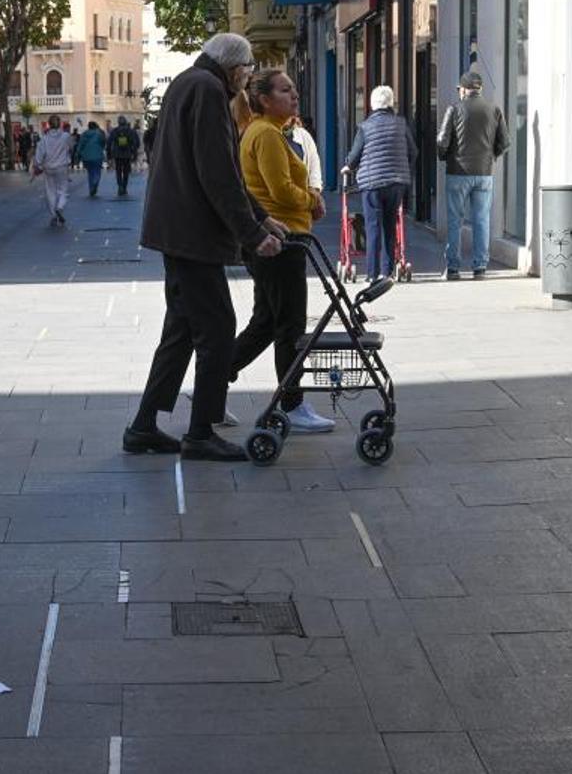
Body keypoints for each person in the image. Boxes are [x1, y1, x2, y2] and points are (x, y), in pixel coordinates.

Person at [126, 33, 287, 462]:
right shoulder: (209, 90)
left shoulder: (187, 81)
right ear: (235, 69)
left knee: (180, 331)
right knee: (217, 329)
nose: (249, 77)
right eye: (249, 69)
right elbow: (217, 173)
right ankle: (201, 432)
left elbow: (222, 168)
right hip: (191, 235)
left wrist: (258, 215)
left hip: (177, 231)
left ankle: (142, 427)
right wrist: (254, 236)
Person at [230, 70, 334, 433]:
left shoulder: (260, 132)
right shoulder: (268, 135)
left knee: (265, 322)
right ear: (264, 99)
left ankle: (213, 380)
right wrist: (313, 199)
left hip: (275, 239)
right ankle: (292, 404)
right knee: (289, 325)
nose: (294, 96)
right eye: (285, 90)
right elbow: (281, 190)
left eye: (293, 89)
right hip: (282, 240)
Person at [437, 70, 510, 280]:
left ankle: (453, 268)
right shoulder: (494, 109)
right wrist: (490, 157)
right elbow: (504, 143)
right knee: (481, 220)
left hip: (458, 171)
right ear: (480, 90)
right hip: (484, 173)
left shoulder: (454, 109)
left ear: (464, 90)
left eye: (460, 89)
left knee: (455, 220)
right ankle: (480, 267)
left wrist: (445, 157)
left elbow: (442, 141)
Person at [343, 85, 417, 281]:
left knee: (373, 226)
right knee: (390, 225)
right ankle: (388, 271)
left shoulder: (365, 127)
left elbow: (354, 156)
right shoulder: (401, 124)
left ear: (372, 104)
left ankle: (372, 274)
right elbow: (413, 151)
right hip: (397, 183)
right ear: (391, 103)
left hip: (372, 183)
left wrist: (348, 166)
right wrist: (403, 168)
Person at [32, 114, 73, 227]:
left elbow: (39, 155)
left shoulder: (44, 139)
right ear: (60, 124)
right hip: (62, 167)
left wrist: (37, 166)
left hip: (48, 168)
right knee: (63, 190)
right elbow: (71, 147)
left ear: (49, 124)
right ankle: (60, 207)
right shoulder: (65, 136)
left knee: (50, 191)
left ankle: (53, 215)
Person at [107, 115, 140, 196]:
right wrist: (134, 153)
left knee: (118, 171)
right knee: (126, 172)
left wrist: (109, 154)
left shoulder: (115, 131)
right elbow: (136, 143)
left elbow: (109, 142)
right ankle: (124, 187)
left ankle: (120, 186)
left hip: (117, 154)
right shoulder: (130, 131)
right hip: (127, 154)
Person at [76, 121, 107, 197]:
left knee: (90, 173)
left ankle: (91, 189)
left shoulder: (84, 134)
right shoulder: (99, 134)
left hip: (86, 156)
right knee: (97, 171)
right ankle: (95, 182)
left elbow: (80, 145)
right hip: (97, 155)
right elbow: (103, 142)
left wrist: (78, 154)